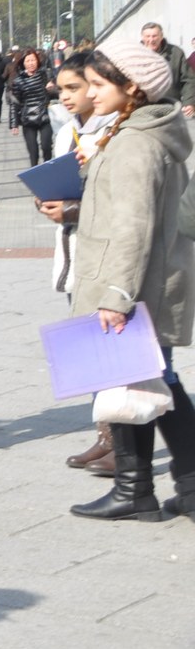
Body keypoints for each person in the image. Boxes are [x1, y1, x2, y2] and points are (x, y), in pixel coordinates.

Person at [68, 34, 195, 522]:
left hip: (133, 286)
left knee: (139, 385)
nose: (92, 92)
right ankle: (152, 487)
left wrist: (117, 296)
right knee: (150, 385)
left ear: (134, 89)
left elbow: (133, 227)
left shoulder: (136, 144)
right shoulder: (137, 134)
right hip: (145, 281)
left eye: (100, 84)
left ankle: (138, 488)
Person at [37, 52, 119, 474]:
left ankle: (125, 445)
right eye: (63, 88)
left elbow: (114, 201)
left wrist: (71, 209)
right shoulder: (68, 132)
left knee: (120, 356)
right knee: (91, 353)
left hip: (104, 256)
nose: (66, 96)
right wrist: (46, 197)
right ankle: (105, 436)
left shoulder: (114, 131)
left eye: (75, 87)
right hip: (75, 253)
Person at [8, 47, 57, 166]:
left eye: (33, 60)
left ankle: (48, 169)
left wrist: (52, 88)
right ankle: (35, 174)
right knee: (33, 151)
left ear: (38, 61)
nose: (31, 63)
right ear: (23, 63)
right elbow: (14, 103)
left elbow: (57, 93)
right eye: (27, 61)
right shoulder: (18, 81)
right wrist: (14, 124)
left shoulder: (45, 75)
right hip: (28, 119)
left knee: (46, 147)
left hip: (45, 117)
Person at [139, 22, 195, 118]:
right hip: (144, 111)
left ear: (161, 36)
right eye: (148, 36)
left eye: (154, 36)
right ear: (142, 37)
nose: (151, 40)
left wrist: (189, 102)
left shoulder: (176, 53)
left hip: (172, 108)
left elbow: (189, 80)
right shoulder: (134, 55)